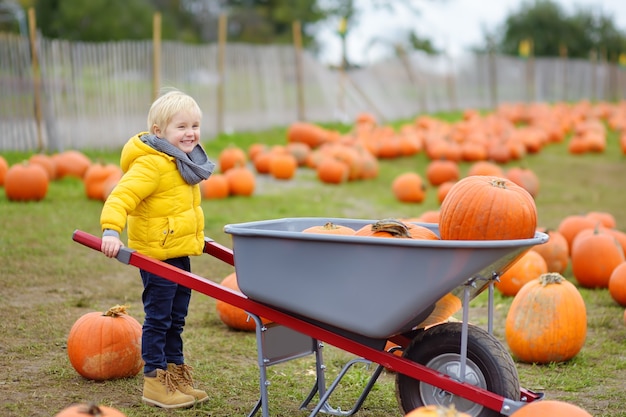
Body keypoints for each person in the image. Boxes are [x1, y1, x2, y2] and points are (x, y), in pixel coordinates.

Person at [100, 89, 215, 409]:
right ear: (159, 132)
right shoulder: (151, 164)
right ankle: (154, 379)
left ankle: (175, 373)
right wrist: (111, 231)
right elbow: (121, 197)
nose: (191, 132)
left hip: (177, 250)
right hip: (156, 254)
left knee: (177, 318)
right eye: (182, 127)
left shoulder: (183, 161)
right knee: (159, 318)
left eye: (195, 125)